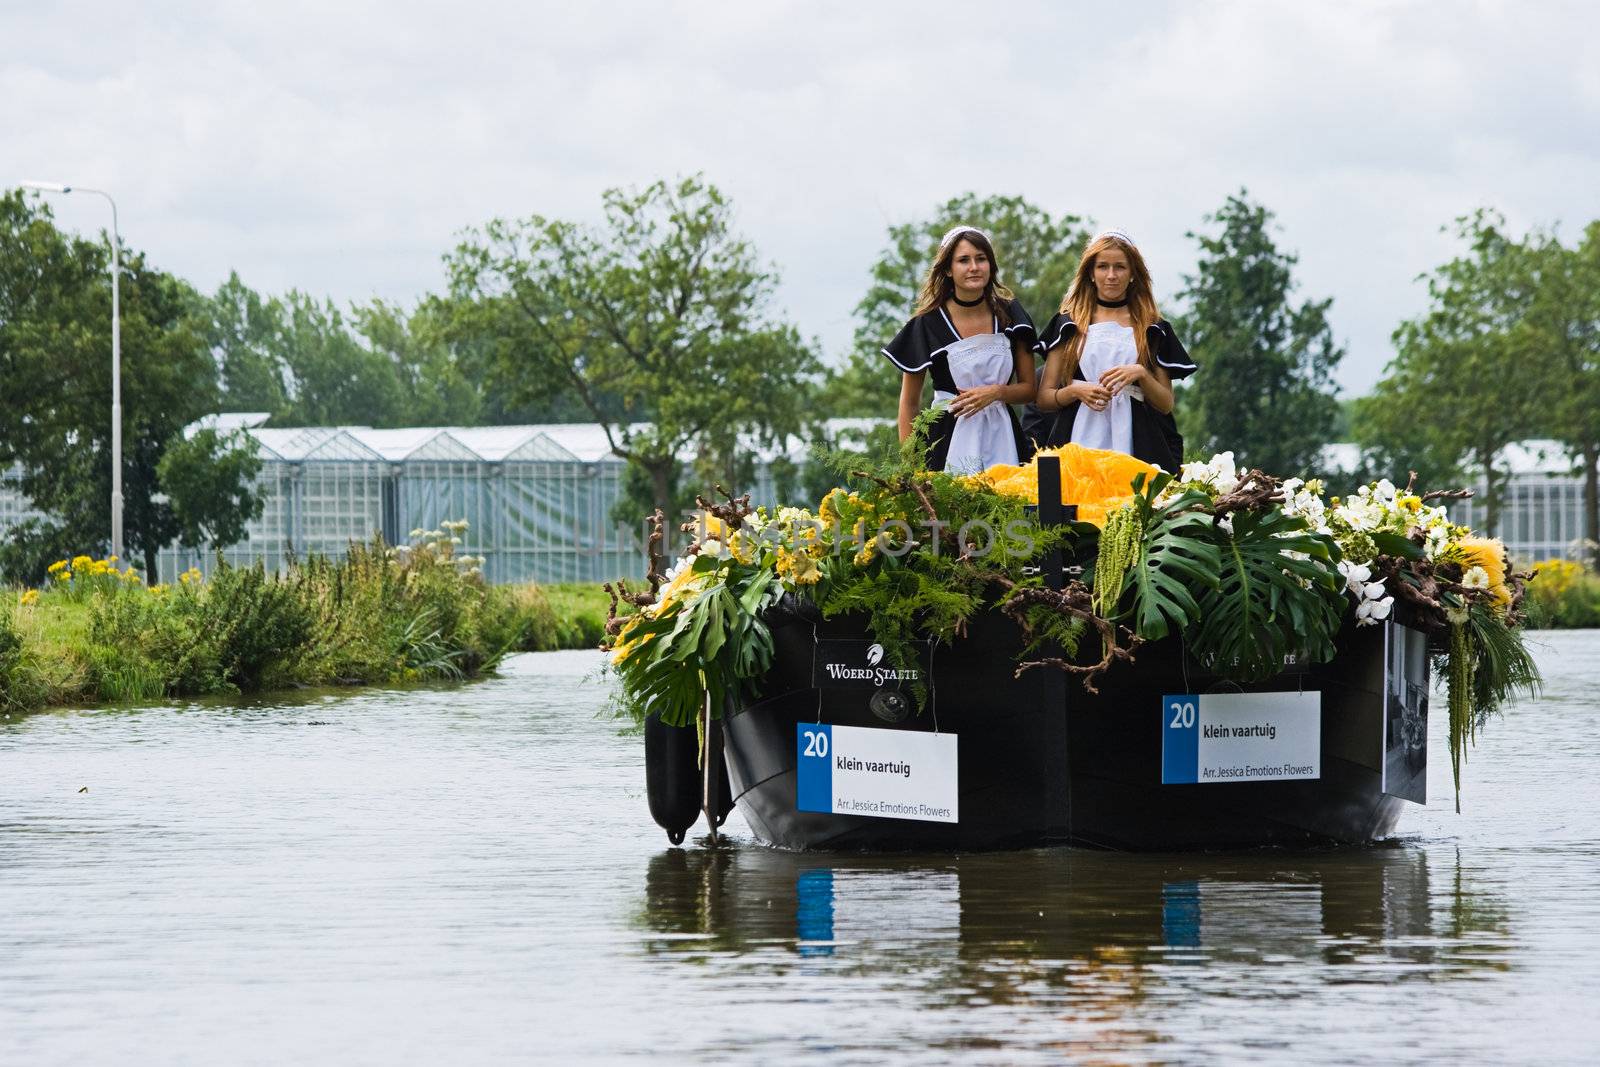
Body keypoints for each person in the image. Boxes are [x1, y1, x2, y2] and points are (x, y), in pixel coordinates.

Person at [1027, 229, 1197, 473]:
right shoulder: (1068, 324)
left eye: (1120, 267)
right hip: (1077, 436)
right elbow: (1044, 399)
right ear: (1091, 274)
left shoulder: (1152, 327)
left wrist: (1141, 374)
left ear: (1132, 274)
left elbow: (1166, 403)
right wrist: (1075, 391)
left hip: (1136, 440)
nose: (1111, 275)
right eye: (1103, 267)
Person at [883, 226, 1038, 474]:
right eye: (963, 260)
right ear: (947, 269)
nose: (974, 267)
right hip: (945, 440)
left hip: (1005, 436)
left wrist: (996, 392)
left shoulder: (1011, 315)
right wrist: (911, 470)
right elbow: (909, 404)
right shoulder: (927, 324)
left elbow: (1030, 389)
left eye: (981, 259)